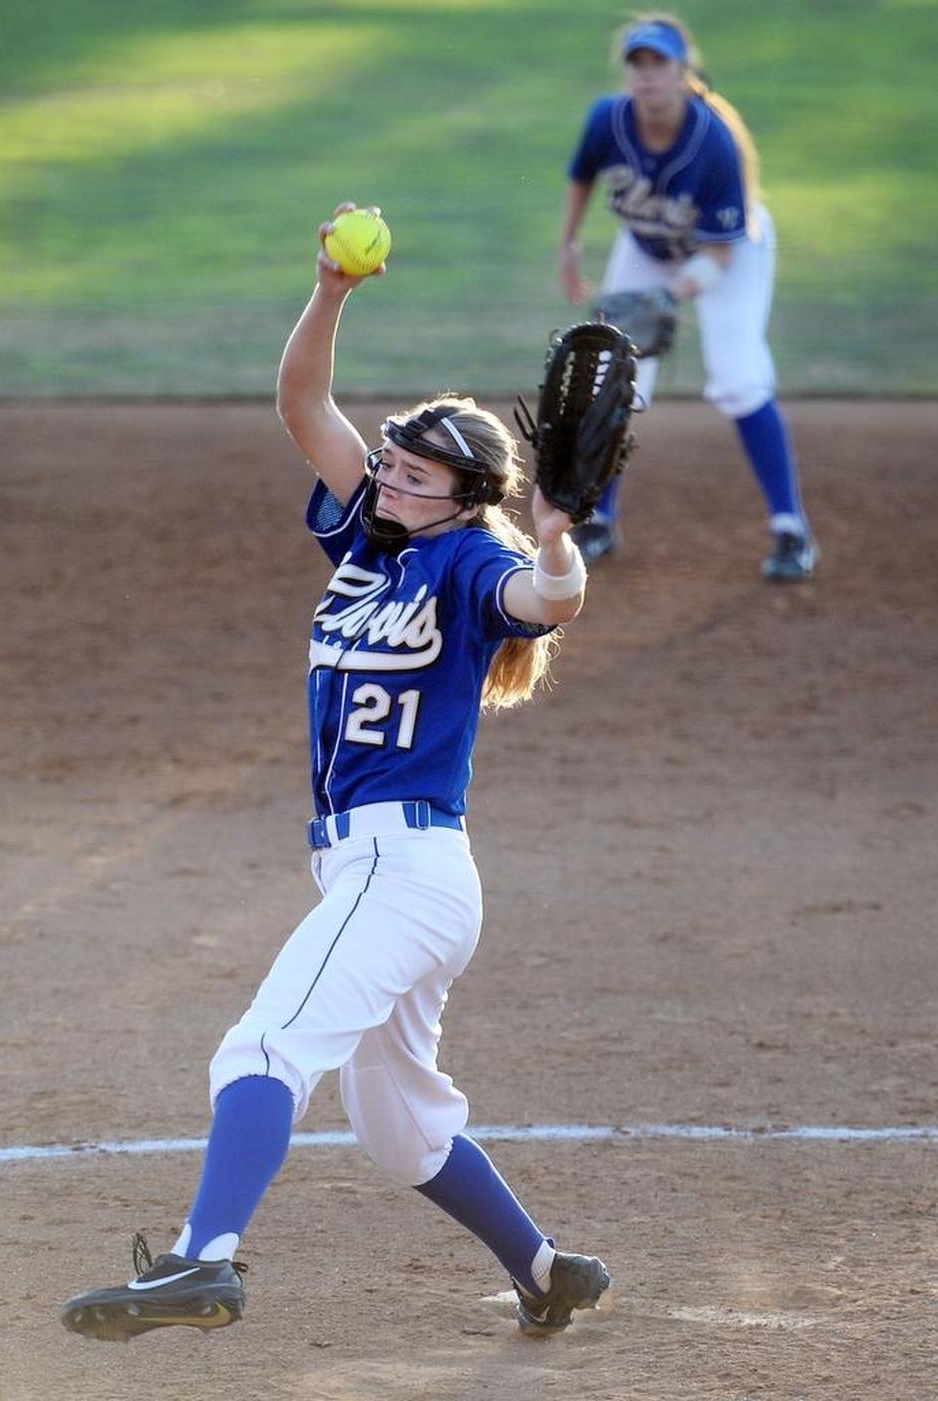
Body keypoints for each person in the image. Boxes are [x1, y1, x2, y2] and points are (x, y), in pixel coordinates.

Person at [60, 203, 610, 1343]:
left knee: (264, 1046)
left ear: (467, 498)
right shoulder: (372, 539)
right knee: (401, 1130)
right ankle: (549, 1271)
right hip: (381, 875)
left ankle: (202, 1259)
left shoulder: (472, 563)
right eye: (392, 464)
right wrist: (331, 289)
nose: (391, 479)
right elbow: (302, 403)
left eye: (413, 473)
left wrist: (557, 540)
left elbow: (547, 607)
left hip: (400, 869)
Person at [558, 11, 819, 582]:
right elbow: (582, 174)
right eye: (638, 64)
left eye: (660, 63)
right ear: (627, 74)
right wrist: (570, 245)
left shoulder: (714, 143)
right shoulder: (608, 119)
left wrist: (667, 296)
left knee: (738, 375)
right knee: (615, 376)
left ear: (683, 71)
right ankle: (599, 518)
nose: (648, 75)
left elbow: (720, 256)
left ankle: (791, 529)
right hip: (649, 246)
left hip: (729, 251)